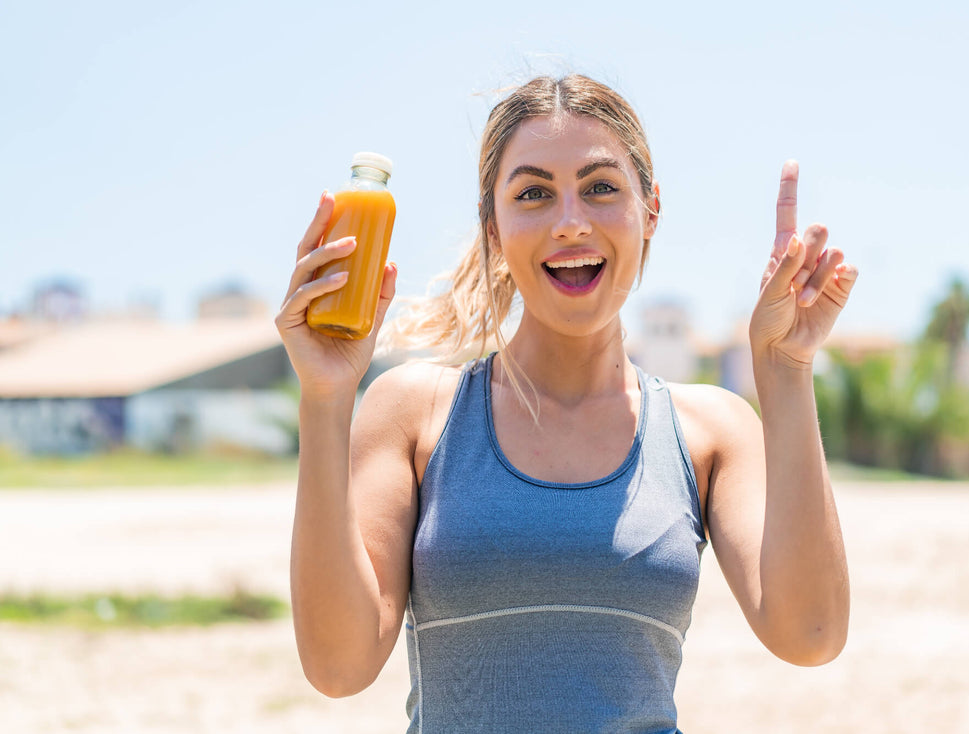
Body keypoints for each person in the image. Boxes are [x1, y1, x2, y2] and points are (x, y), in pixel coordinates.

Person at [275, 74, 857, 733]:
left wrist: (785, 369)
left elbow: (810, 633)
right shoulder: (415, 413)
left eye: (601, 187)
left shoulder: (711, 432)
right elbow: (337, 665)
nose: (571, 222)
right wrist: (325, 400)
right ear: (493, 227)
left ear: (652, 211)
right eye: (534, 194)